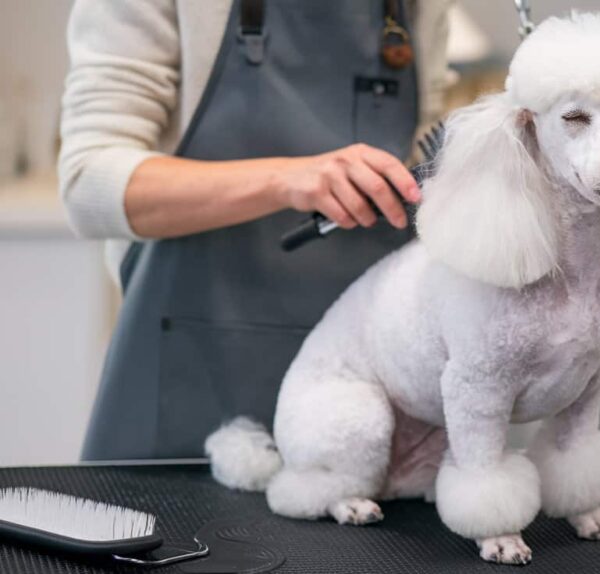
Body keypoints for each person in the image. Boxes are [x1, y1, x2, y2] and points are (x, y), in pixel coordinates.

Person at [59, 0, 453, 460]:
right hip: (192, 371)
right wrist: (287, 179)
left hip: (359, 394)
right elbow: (89, 183)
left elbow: (421, 166)